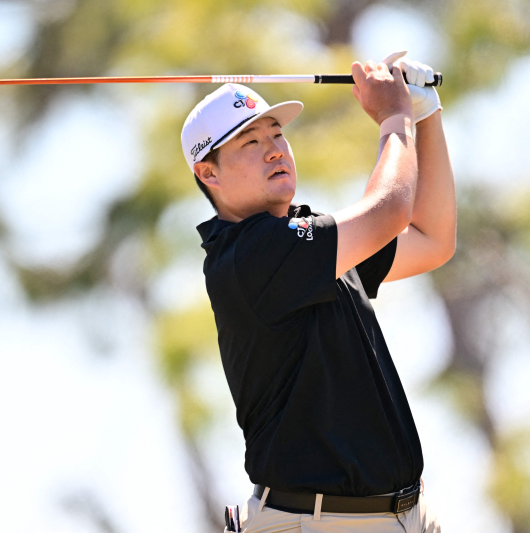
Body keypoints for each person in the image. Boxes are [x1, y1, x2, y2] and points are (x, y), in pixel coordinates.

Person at [180, 50, 455, 533]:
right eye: (250, 142)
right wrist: (394, 117)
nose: (274, 150)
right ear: (209, 173)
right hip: (318, 521)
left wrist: (424, 113)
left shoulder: (309, 241)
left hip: (403, 517)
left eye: (276, 134)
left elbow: (432, 240)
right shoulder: (248, 255)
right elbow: (389, 210)